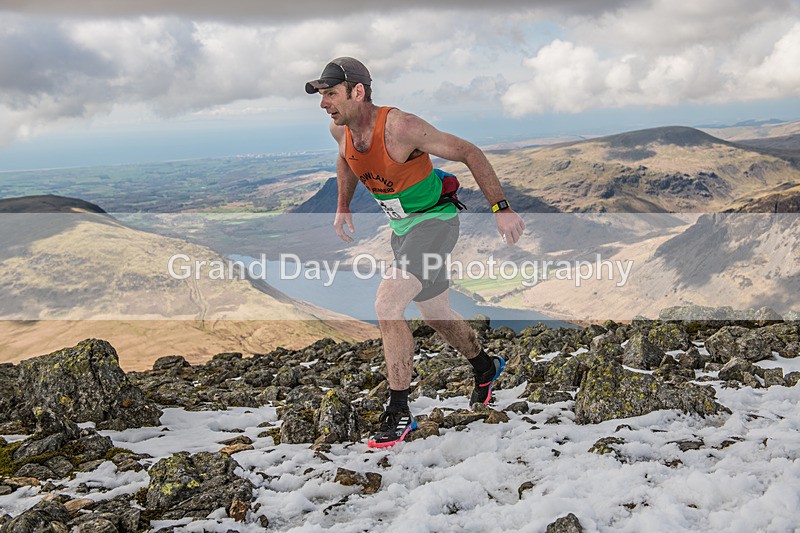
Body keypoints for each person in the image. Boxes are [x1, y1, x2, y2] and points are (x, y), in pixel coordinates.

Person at [306, 57, 525, 448]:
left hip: (435, 223)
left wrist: (501, 208)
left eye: (331, 94)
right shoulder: (338, 130)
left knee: (388, 303)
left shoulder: (402, 127)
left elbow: (470, 152)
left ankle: (399, 410)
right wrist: (343, 204)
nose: (324, 103)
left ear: (358, 91)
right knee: (436, 313)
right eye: (322, 96)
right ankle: (485, 367)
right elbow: (346, 161)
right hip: (402, 229)